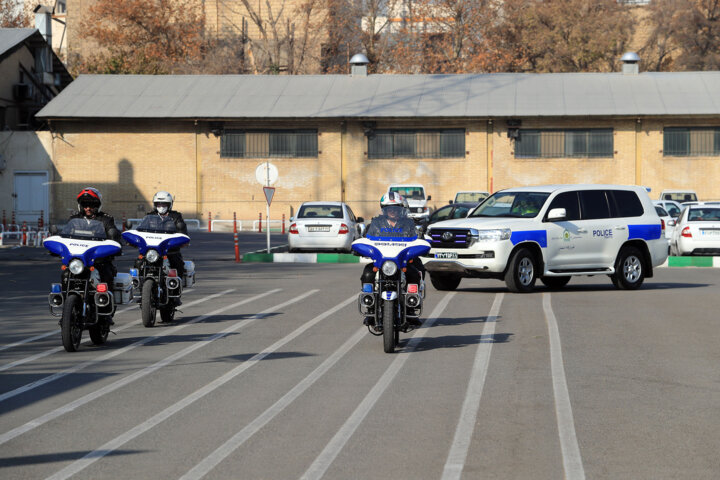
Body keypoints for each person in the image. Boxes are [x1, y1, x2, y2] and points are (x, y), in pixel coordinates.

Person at [361, 192, 425, 326]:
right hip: (382, 262)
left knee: (414, 273)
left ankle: (411, 308)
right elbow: (367, 237)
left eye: (396, 208)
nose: (392, 211)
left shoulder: (409, 224)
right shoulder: (376, 223)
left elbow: (418, 238)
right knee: (368, 273)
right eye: (389, 208)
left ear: (402, 210)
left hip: (403, 262)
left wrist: (421, 241)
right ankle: (370, 308)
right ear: (383, 209)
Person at [67, 188, 121, 315]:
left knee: (106, 274)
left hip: (99, 260)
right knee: (65, 275)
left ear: (98, 205)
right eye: (85, 205)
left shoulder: (106, 219)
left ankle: (107, 309)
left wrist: (115, 242)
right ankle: (67, 309)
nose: (88, 208)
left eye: (92, 205)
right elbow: (65, 235)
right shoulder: (73, 219)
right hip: (78, 260)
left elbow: (113, 234)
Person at [144, 191, 188, 278]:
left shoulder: (176, 216)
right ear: (155, 205)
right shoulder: (149, 216)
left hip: (170, 250)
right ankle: (138, 280)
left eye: (164, 205)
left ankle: (176, 283)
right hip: (152, 249)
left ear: (169, 205)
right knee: (139, 261)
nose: (161, 207)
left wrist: (182, 240)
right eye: (159, 204)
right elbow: (141, 230)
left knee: (177, 262)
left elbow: (182, 230)